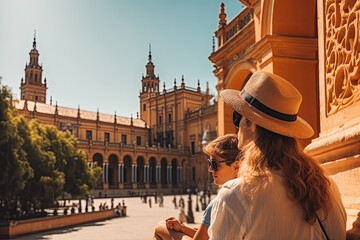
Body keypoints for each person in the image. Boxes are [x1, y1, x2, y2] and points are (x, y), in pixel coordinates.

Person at [209, 70, 346, 239]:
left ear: (251, 123)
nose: (236, 126)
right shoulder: (327, 187)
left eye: (238, 117)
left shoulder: (237, 194)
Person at [154, 134, 241, 240]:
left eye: (214, 164)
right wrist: (182, 228)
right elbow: (207, 235)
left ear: (236, 166)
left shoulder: (220, 201)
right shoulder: (252, 192)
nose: (210, 169)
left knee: (160, 228)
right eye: (209, 163)